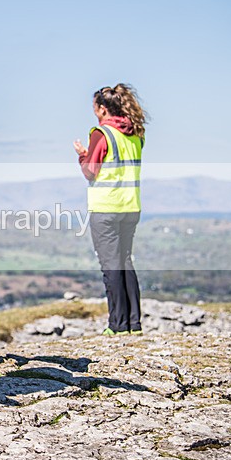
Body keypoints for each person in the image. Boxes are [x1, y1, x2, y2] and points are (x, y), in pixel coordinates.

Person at [74, 84, 148, 336]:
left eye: (95, 108)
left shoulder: (101, 134)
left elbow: (90, 171)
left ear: (103, 109)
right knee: (125, 262)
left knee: (111, 266)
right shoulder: (137, 133)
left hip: (106, 206)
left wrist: (83, 156)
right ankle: (134, 324)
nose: (94, 113)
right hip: (131, 205)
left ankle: (116, 325)